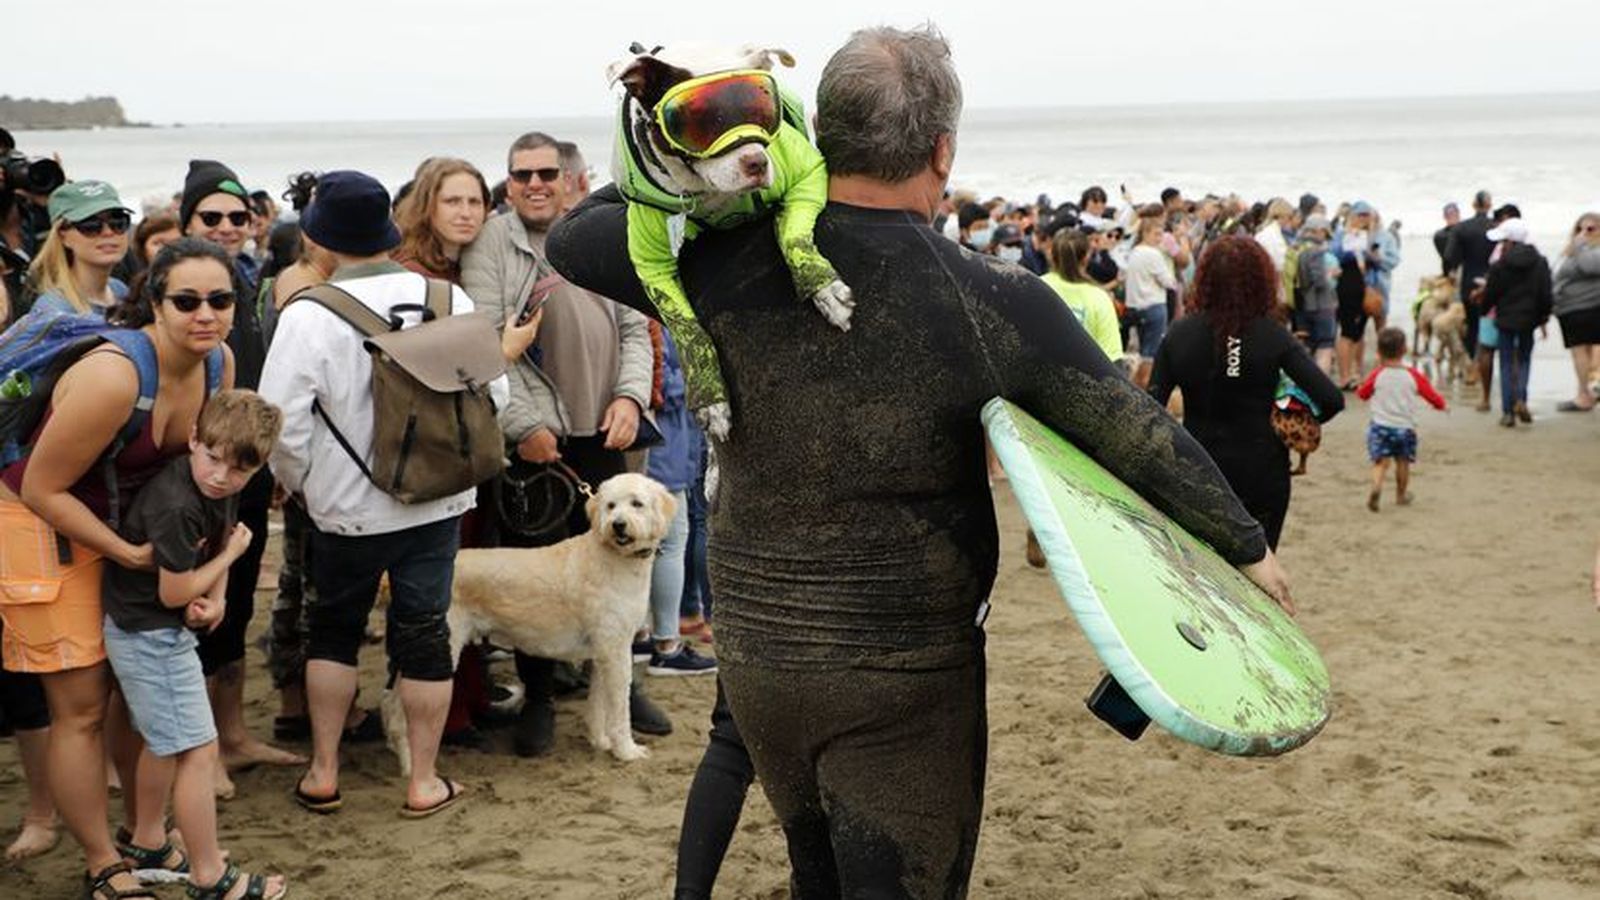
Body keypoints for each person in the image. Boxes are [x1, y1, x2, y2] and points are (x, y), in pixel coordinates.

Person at [546, 24, 1294, 896]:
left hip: (760, 661)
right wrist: (1248, 548)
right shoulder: (991, 298)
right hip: (899, 682)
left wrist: (694, 111)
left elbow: (578, 232)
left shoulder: (711, 258)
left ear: (811, 135)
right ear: (942, 152)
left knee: (813, 871)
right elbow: (1137, 433)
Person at [260, 171, 526, 817]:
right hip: (438, 500)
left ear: (321, 238)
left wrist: (305, 486)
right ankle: (424, 780)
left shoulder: (309, 315)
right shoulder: (448, 296)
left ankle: (324, 772)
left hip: (346, 510)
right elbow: (495, 394)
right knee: (424, 634)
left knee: (334, 632)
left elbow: (280, 421)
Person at [0, 237, 237, 899]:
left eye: (219, 299)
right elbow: (40, 488)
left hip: (123, 522)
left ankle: (148, 835)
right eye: (185, 300)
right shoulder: (115, 377)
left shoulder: (219, 364)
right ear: (153, 303)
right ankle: (105, 864)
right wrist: (127, 554)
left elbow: (214, 477)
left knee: (137, 693)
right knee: (79, 706)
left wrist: (209, 581)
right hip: (38, 518)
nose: (204, 313)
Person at [459, 132, 669, 758]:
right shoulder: (492, 243)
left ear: (570, 178)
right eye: (520, 174)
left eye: (546, 172)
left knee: (621, 575)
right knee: (536, 577)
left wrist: (631, 398)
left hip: (607, 426)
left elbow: (637, 323)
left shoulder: (599, 234)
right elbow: (487, 338)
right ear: (508, 182)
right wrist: (523, 426)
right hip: (536, 438)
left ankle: (621, 692)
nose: (534, 184)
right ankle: (541, 698)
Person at [101, 389, 288, 900]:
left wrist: (220, 597)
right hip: (149, 634)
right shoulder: (178, 502)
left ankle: (147, 842)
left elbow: (219, 539)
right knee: (199, 750)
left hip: (158, 629)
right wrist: (228, 562)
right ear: (193, 440)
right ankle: (208, 875)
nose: (221, 476)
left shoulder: (215, 486)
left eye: (239, 471)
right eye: (211, 459)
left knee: (167, 743)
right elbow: (175, 589)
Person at [176, 158, 299, 797]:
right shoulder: (181, 291)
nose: (227, 226)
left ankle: (233, 735)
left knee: (239, 607)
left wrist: (270, 462)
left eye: (237, 217)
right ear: (187, 221)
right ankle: (199, 753)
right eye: (211, 217)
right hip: (199, 475)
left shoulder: (249, 280)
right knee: (196, 615)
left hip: (246, 469)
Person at [1149, 236, 1344, 549]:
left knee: (1203, 574)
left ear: (1205, 280)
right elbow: (1332, 399)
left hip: (1197, 468)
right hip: (1263, 470)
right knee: (1259, 576)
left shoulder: (1178, 335)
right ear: (1262, 280)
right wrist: (1289, 413)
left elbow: (1151, 408)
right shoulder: (1274, 336)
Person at [643, 327, 717, 677]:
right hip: (663, 449)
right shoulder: (652, 322)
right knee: (671, 542)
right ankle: (666, 645)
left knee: (666, 542)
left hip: (672, 448)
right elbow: (661, 386)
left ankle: (649, 634)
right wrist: (699, 378)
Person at [1355, 327, 1447, 510]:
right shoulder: (1412, 375)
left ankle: (1376, 487)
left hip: (1380, 426)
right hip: (1405, 428)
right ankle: (1401, 495)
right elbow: (1430, 394)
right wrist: (1442, 405)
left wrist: (1360, 387)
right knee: (1403, 462)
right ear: (1405, 350)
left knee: (1380, 462)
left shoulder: (1377, 374)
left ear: (1379, 352)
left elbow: (1363, 394)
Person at [22, 180, 132, 318]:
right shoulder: (54, 311)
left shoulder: (119, 290)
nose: (108, 232)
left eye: (118, 222)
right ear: (63, 236)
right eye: (91, 225)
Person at [1481, 217, 1553, 427]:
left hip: (1505, 319)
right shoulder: (1539, 262)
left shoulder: (1501, 265)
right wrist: (1543, 317)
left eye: (1503, 241)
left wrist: (1484, 310)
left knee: (1505, 363)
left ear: (1510, 242)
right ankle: (1521, 397)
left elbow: (1491, 293)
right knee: (1523, 361)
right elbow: (1545, 294)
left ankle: (1507, 412)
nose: (1501, 244)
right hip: (1529, 319)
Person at [392, 157, 491, 283]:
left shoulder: (485, 264)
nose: (466, 213)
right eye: (452, 201)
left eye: (474, 202)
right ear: (427, 205)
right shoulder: (411, 276)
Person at [1042, 227, 1124, 362]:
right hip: (1084, 377)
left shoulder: (1037, 285)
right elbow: (1112, 357)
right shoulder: (1099, 298)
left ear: (1052, 254)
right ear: (1087, 257)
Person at [1124, 207, 1179, 387]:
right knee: (1151, 355)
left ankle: (1138, 385)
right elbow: (1168, 282)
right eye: (1156, 234)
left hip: (1136, 307)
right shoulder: (1153, 254)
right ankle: (1146, 388)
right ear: (1145, 233)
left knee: (1142, 351)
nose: (1159, 238)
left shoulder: (1134, 252)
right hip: (1154, 306)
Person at [1552, 212, 1600, 412]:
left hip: (1587, 307)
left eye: (1590, 229)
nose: (1584, 233)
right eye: (1579, 228)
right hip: (1569, 308)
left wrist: (1580, 245)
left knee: (1582, 351)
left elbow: (1590, 267)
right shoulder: (1575, 250)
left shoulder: (1592, 251)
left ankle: (1584, 395)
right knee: (1581, 353)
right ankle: (1585, 391)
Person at [1445, 190, 1496, 360]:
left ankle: (1472, 362)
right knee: (1490, 323)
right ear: (1489, 205)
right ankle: (1487, 360)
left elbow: (1450, 257)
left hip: (1469, 282)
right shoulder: (1497, 227)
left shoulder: (1461, 228)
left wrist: (1450, 273)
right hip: (1493, 281)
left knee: (1472, 324)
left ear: (1473, 205)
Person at [1434, 202, 1460, 276]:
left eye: (1454, 214)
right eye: (1450, 215)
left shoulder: (1466, 230)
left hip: (1452, 270)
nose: (1453, 217)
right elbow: (1447, 256)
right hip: (1452, 270)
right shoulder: (1439, 235)